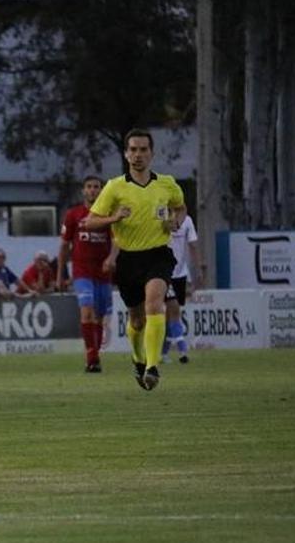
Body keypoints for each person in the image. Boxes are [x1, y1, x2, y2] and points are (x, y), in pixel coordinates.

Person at [84, 128, 187, 392]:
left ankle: (153, 367)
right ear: (126, 153)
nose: (138, 155)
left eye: (143, 149)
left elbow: (180, 206)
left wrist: (176, 221)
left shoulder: (166, 183)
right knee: (137, 320)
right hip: (128, 259)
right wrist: (113, 218)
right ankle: (139, 358)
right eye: (133, 149)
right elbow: (90, 221)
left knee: (155, 304)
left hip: (158, 255)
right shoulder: (114, 187)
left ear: (151, 153)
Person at [59, 175, 114, 373]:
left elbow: (117, 241)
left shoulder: (108, 215)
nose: (93, 190)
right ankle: (91, 356)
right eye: (89, 187)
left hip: (103, 274)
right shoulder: (73, 215)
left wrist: (112, 259)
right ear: (83, 190)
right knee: (87, 310)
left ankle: (95, 356)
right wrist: (60, 275)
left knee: (99, 317)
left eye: (96, 187)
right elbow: (64, 246)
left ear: (102, 191)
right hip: (81, 272)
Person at [165, 212, 203, 364]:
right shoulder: (161, 218)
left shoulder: (187, 221)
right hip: (165, 273)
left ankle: (163, 352)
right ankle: (182, 351)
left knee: (170, 314)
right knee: (174, 309)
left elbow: (193, 245)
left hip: (181, 273)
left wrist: (199, 269)